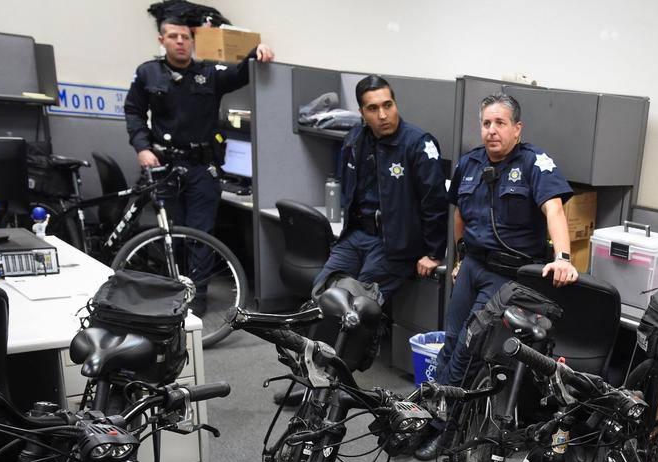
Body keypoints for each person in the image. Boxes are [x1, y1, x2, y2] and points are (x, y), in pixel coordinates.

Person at [413, 93, 579, 461]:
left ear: (517, 129)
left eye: (500, 123)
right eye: (486, 123)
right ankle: (430, 416)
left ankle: (447, 430)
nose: (492, 131)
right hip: (473, 268)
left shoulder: (536, 163)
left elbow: (554, 210)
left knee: (467, 353)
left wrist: (563, 257)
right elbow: (458, 217)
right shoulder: (470, 164)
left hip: (507, 276)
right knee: (452, 341)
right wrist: (458, 258)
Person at [273, 75, 450, 407]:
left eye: (388, 105)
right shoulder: (355, 139)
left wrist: (433, 252)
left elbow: (435, 202)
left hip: (394, 243)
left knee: (355, 305)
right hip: (357, 235)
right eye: (373, 108)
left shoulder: (417, 144)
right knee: (321, 293)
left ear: (395, 104)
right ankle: (310, 376)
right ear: (361, 111)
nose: (383, 114)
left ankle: (333, 385)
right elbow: (349, 186)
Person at [124, 18, 274, 316]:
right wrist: (142, 148)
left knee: (200, 235)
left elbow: (239, 73)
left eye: (185, 37)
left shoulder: (208, 73)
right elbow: (134, 111)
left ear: (192, 41)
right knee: (172, 235)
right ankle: (173, 292)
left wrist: (257, 50)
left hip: (202, 169)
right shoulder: (147, 73)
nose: (180, 41)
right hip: (165, 167)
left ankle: (197, 298)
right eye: (173, 36)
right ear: (161, 40)